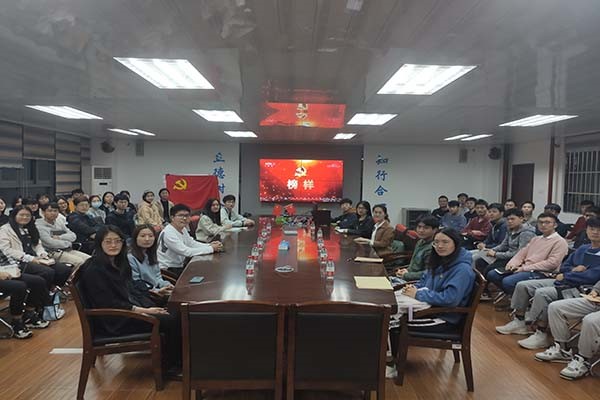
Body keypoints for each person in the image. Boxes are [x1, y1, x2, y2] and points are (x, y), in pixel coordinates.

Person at [78, 225, 181, 369]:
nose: (113, 245)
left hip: (126, 311)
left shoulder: (117, 262)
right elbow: (109, 303)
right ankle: (172, 366)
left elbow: (130, 289)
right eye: (108, 241)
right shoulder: (95, 269)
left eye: (117, 241)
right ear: (99, 243)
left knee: (175, 311)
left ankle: (174, 359)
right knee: (171, 319)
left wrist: (149, 302)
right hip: (115, 321)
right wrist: (144, 311)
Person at [495, 217, 600, 349]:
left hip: (580, 288)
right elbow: (564, 266)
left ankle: (541, 332)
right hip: (563, 280)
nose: (595, 232)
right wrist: (573, 270)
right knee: (523, 285)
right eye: (592, 229)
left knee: (542, 293)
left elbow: (592, 276)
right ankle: (519, 321)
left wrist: (568, 275)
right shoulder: (583, 248)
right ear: (587, 230)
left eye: (598, 229)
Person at [387, 228, 476, 378]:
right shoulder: (441, 261)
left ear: (456, 244)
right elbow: (424, 282)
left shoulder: (462, 269)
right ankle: (387, 359)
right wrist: (414, 288)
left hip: (444, 318)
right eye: (436, 242)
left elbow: (450, 299)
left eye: (445, 242)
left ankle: (390, 365)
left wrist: (419, 294)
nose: (440, 246)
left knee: (390, 321)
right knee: (389, 314)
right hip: (429, 308)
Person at [486, 212, 569, 295]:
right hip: (525, 268)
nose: (543, 225)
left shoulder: (560, 242)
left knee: (508, 282)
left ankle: (521, 299)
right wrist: (512, 263)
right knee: (492, 274)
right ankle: (515, 296)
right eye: (540, 222)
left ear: (555, 225)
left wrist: (524, 268)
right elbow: (522, 253)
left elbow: (552, 264)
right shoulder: (536, 239)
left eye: (547, 222)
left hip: (542, 273)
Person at [535, 281, 600, 380]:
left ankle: (583, 360)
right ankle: (562, 349)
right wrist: (596, 290)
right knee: (555, 307)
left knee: (591, 321)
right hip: (597, 301)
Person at [474, 208, 535, 300]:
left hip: (518, 260)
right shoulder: (510, 229)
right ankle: (484, 291)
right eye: (508, 219)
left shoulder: (527, 233)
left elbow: (520, 253)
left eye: (512, 219)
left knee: (490, 271)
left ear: (521, 218)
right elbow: (504, 245)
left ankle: (512, 293)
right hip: (507, 256)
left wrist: (496, 254)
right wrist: (489, 251)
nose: (509, 221)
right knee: (480, 261)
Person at [158, 204, 222, 276]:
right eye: (181, 215)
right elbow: (186, 252)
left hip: (179, 265)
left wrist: (210, 245)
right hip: (168, 270)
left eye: (187, 215)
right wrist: (211, 249)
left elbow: (191, 243)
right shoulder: (169, 233)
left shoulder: (182, 229)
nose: (184, 218)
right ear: (172, 218)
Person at [0, 247, 51, 338]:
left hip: (5, 272)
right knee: (19, 287)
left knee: (38, 281)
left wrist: (14, 268)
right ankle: (16, 321)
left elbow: (5, 259)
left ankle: (29, 314)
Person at [36, 203, 90, 267]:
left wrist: (60, 237)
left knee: (90, 259)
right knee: (79, 262)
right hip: (52, 252)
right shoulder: (39, 226)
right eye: (50, 211)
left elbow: (73, 236)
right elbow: (50, 243)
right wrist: (68, 243)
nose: (53, 213)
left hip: (68, 250)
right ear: (43, 212)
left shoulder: (59, 222)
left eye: (55, 211)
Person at [129, 225, 174, 296]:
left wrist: (166, 285)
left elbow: (157, 277)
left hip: (157, 291)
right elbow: (136, 282)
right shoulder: (130, 258)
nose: (147, 239)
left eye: (150, 236)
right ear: (135, 238)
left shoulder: (150, 254)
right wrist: (156, 291)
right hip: (144, 294)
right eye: (143, 236)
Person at [394, 214, 438, 282]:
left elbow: (428, 273)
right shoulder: (420, 242)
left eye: (426, 228)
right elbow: (414, 264)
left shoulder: (433, 248)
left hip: (417, 282)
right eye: (419, 227)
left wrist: (407, 275)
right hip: (408, 276)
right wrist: (406, 270)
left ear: (435, 230)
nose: (421, 230)